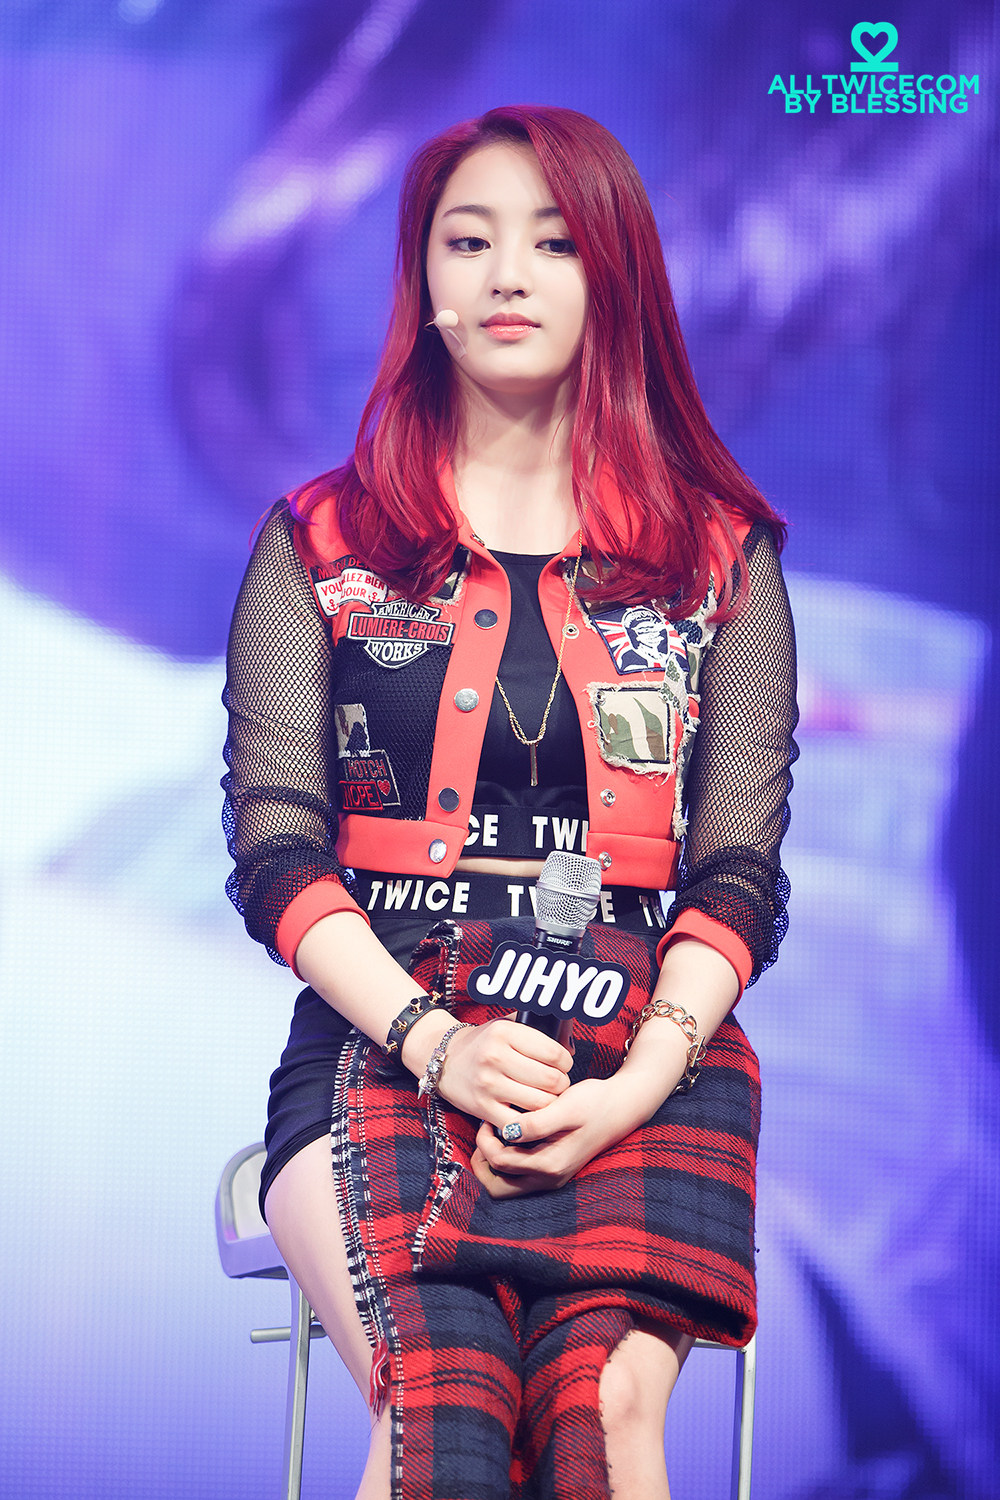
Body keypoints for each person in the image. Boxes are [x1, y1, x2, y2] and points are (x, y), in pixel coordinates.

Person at [222, 104, 797, 1500]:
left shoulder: (720, 557)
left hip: (643, 1059)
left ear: (616, 272)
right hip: (388, 1039)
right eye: (467, 242)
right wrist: (437, 1045)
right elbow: (275, 849)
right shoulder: (323, 541)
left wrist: (639, 1082)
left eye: (554, 242)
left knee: (603, 1416)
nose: (508, 276)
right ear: (423, 281)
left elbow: (738, 872)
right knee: (446, 1410)